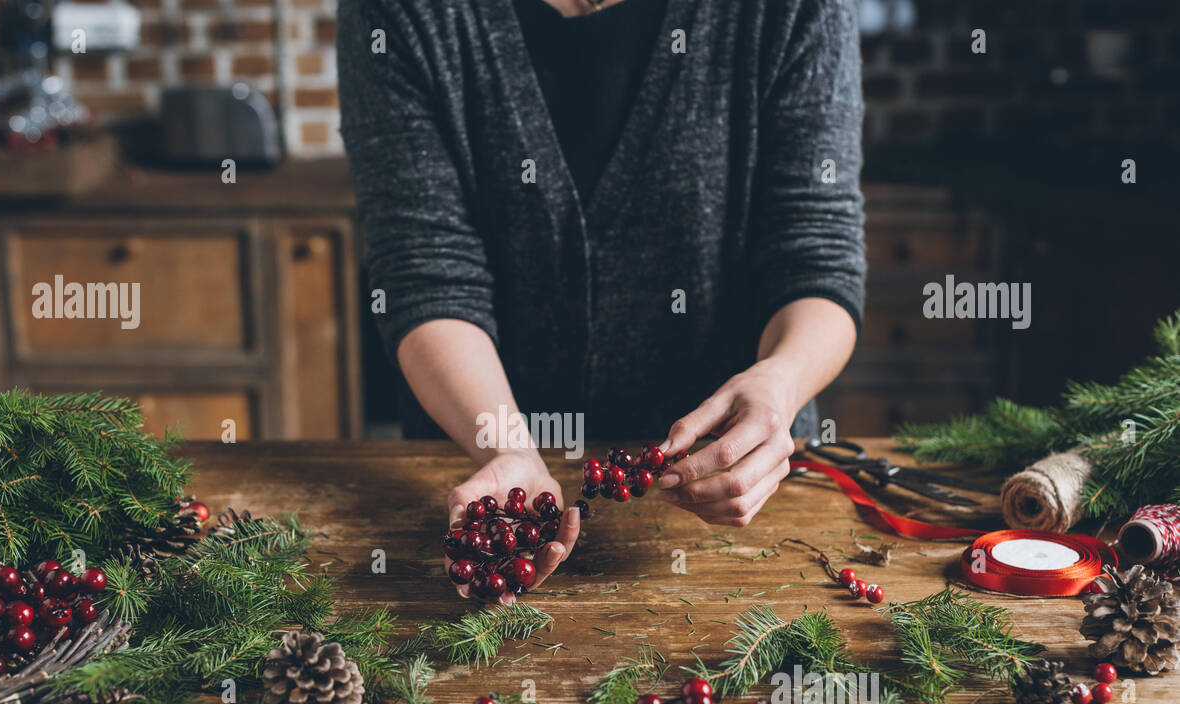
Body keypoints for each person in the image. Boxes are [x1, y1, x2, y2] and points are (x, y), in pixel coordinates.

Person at [338, 0, 865, 600]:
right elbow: (426, 271)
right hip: (479, 461)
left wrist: (782, 379)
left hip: (748, 502)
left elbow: (817, 252)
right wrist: (506, 445)